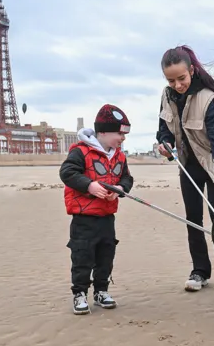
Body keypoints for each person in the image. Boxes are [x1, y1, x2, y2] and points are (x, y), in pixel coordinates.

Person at [156, 45, 214, 295]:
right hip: (189, 165)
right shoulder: (167, 96)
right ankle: (200, 271)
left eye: (181, 78)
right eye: (171, 80)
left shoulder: (208, 98)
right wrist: (165, 143)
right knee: (192, 220)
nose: (177, 84)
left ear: (192, 71)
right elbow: (165, 128)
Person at [59, 104, 134, 315]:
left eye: (125, 134)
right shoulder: (81, 151)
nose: (123, 138)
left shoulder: (119, 156)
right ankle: (79, 293)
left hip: (107, 217)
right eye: (119, 133)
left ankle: (101, 291)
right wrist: (89, 185)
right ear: (102, 131)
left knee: (105, 256)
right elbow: (68, 172)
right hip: (83, 218)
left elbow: (126, 178)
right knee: (82, 257)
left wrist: (120, 189)